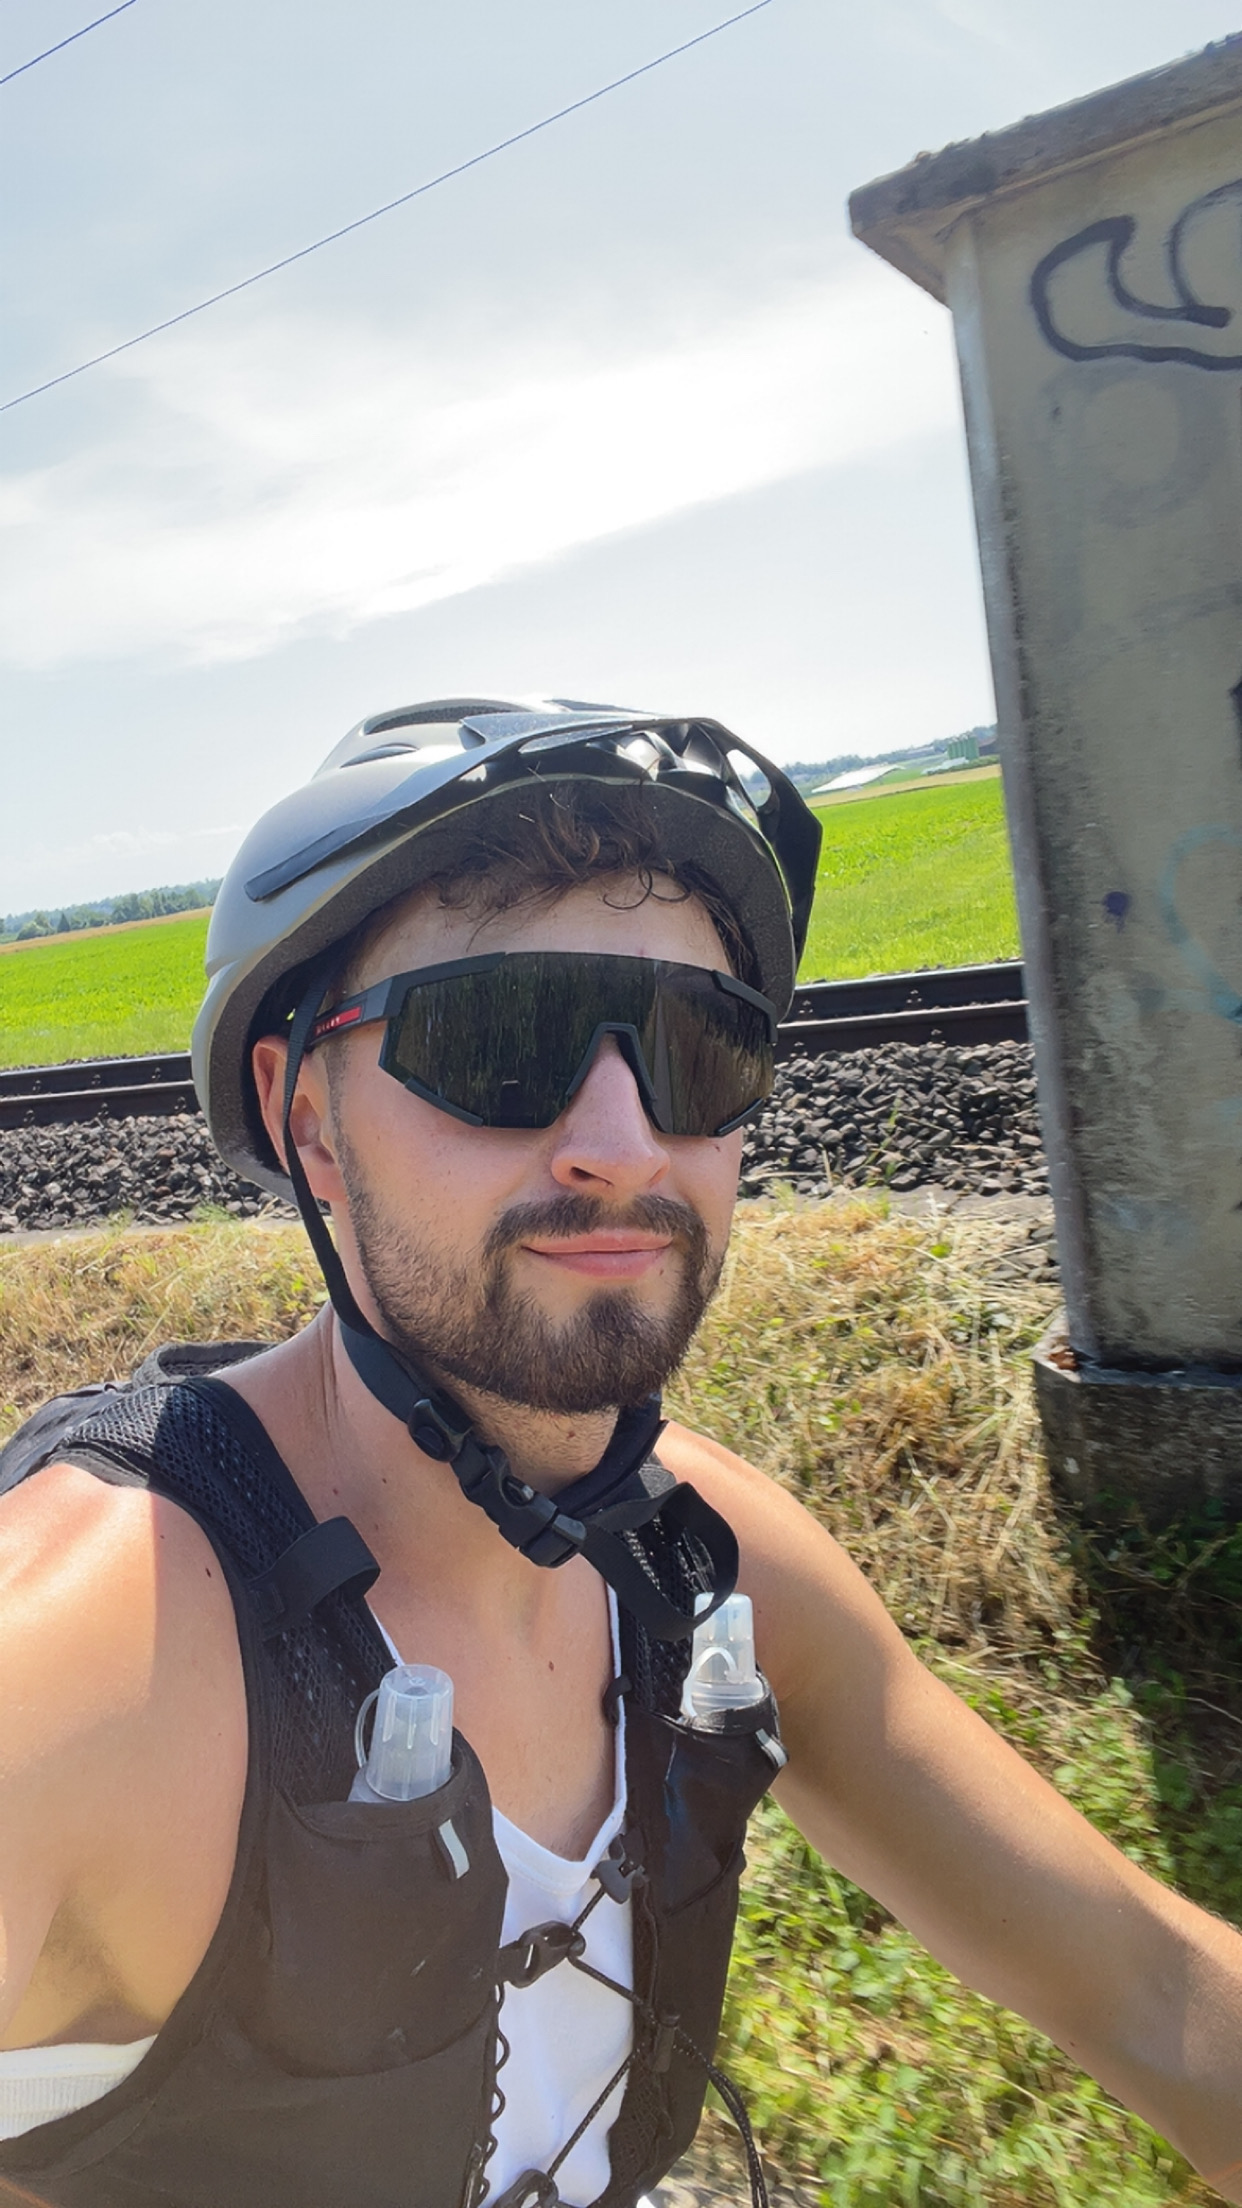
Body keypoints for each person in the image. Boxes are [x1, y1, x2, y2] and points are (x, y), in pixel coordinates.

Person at [0, 696, 1240, 2208]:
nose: (623, 1141)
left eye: (692, 1051)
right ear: (305, 1120)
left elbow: (1155, 2000)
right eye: (501, 1042)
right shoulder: (85, 1658)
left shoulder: (700, 1558)